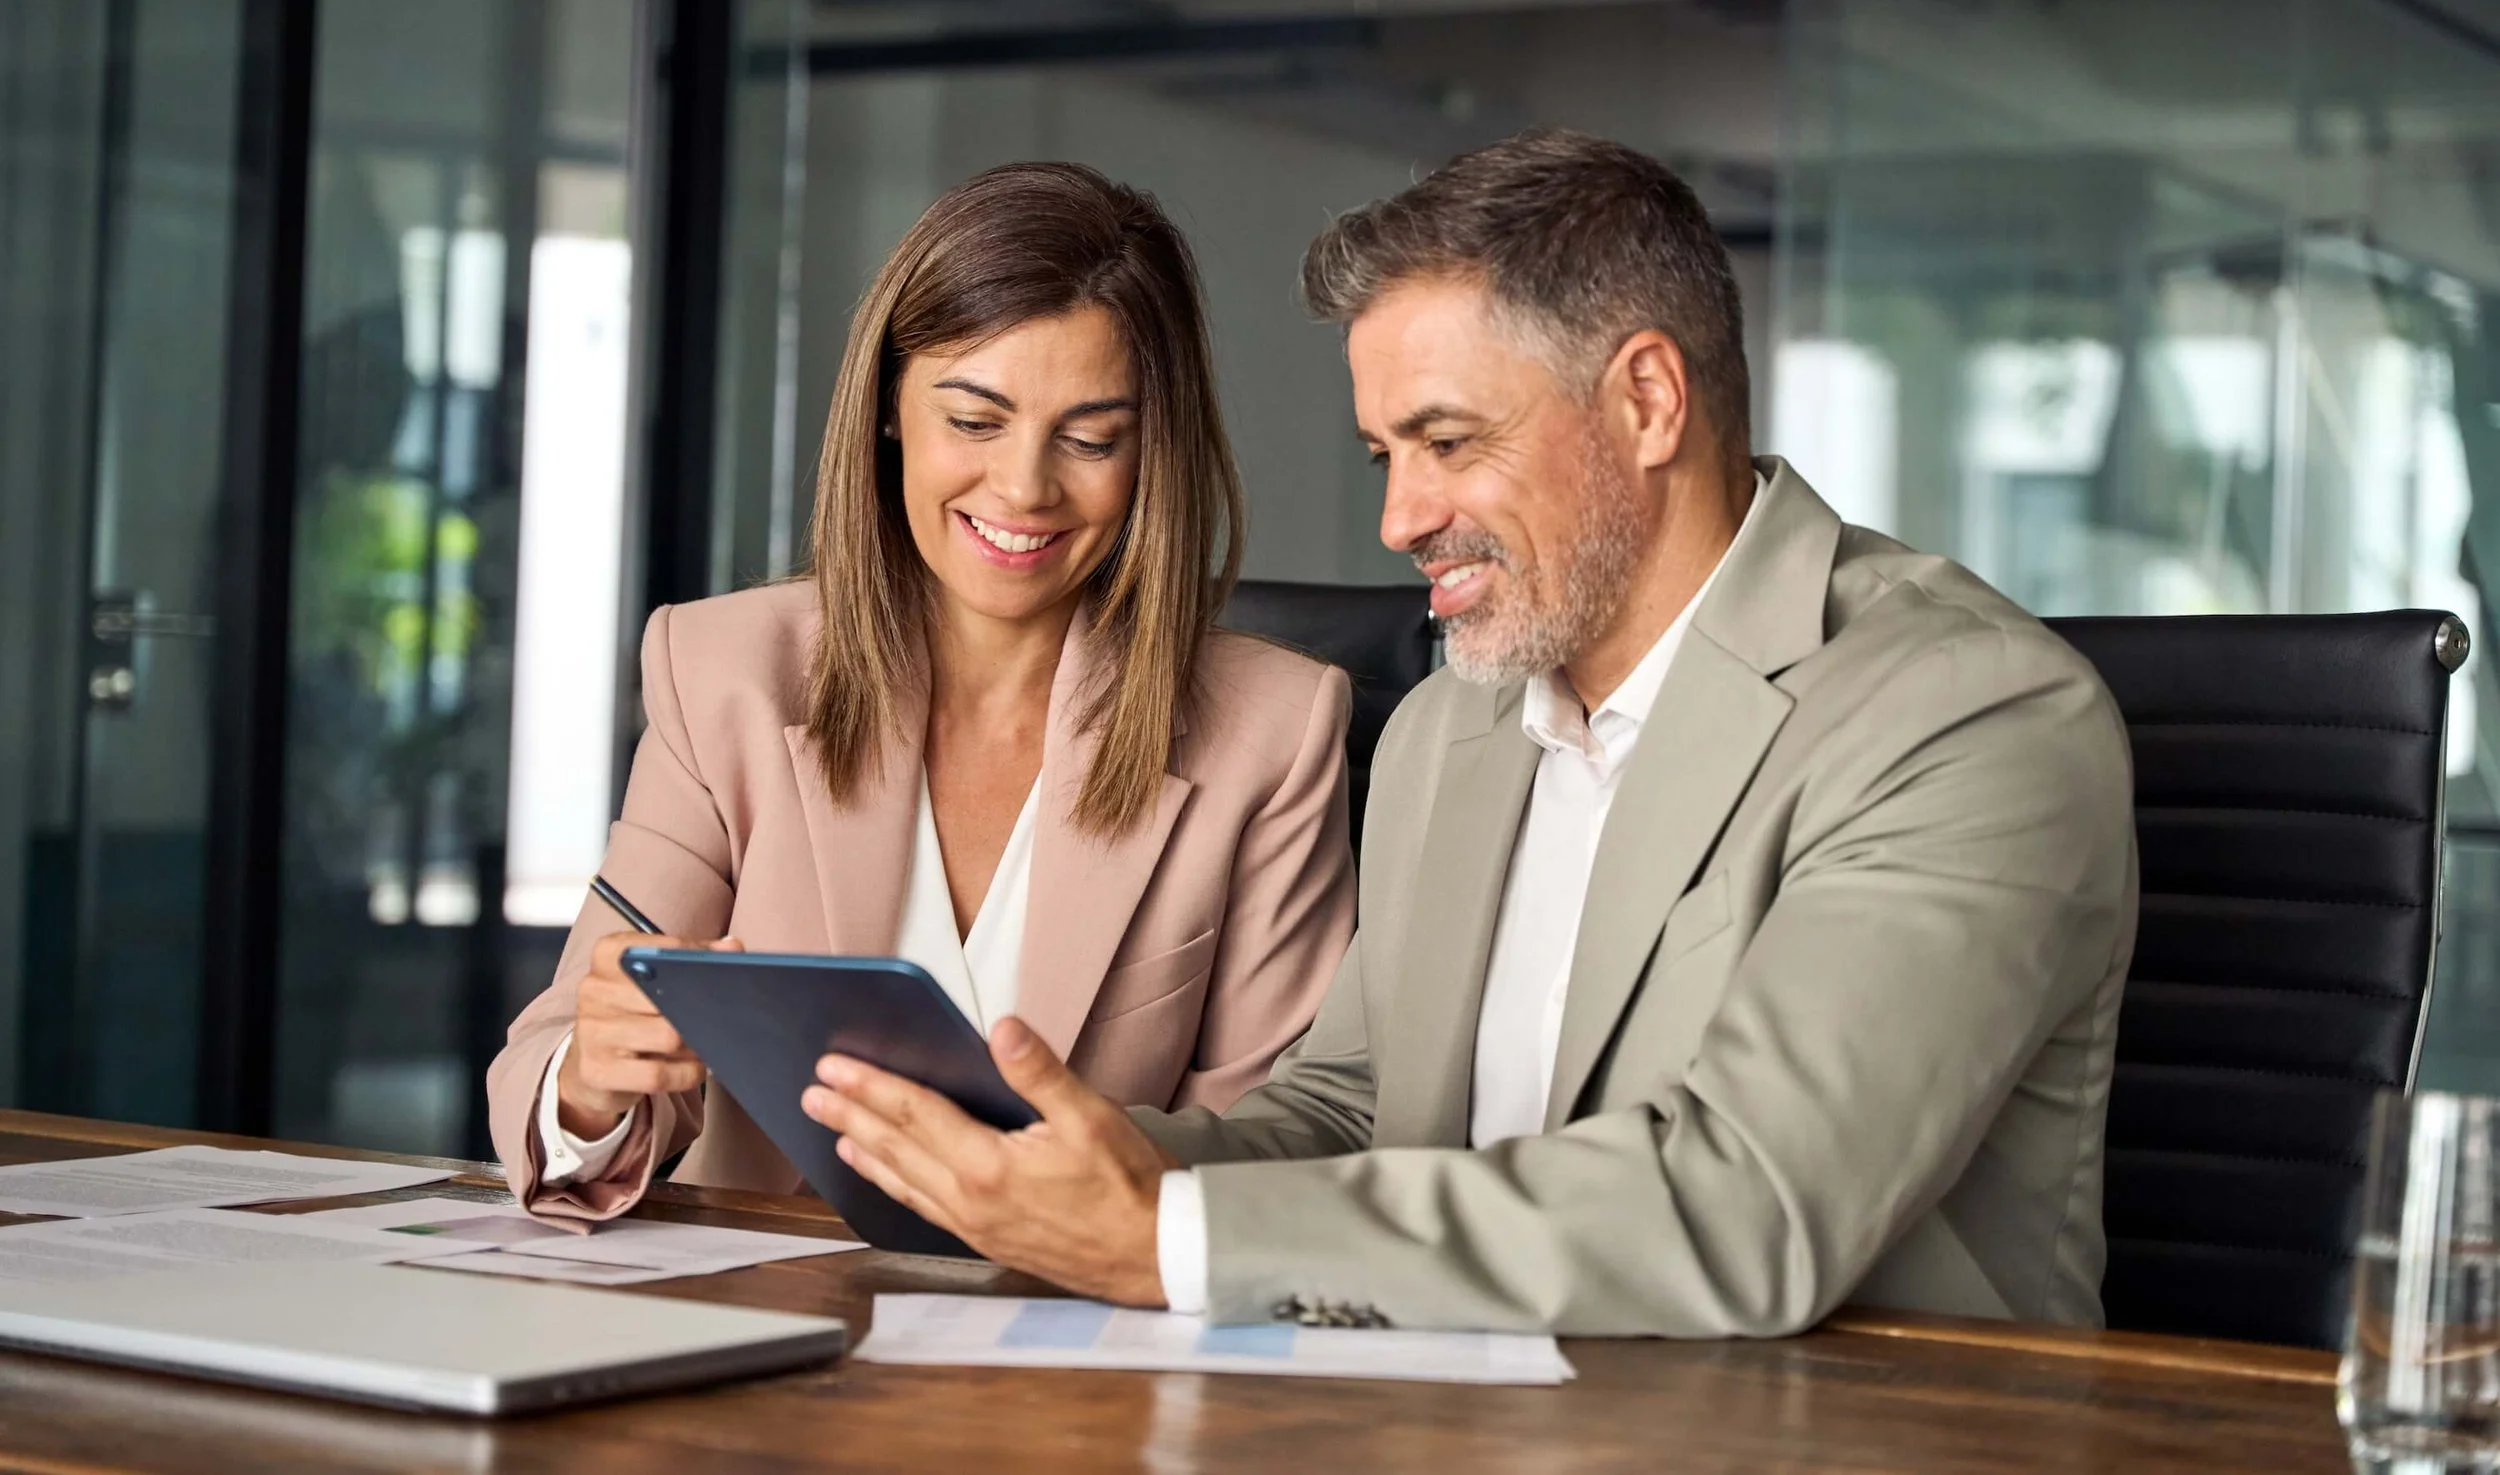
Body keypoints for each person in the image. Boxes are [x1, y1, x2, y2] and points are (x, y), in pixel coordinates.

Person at [797, 129, 2140, 1337]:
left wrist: (1168, 1238)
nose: (1399, 517)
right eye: (1388, 453)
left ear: (1648, 400)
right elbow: (1349, 1116)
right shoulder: (1455, 725)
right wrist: (1068, 1166)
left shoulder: (1967, 714)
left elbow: (1746, 1205)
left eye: (1446, 440)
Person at [487, 162, 1358, 1223]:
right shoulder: (721, 672)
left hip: (1081, 1334)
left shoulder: (1272, 732)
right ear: (891, 407)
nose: (1025, 487)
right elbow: (552, 1063)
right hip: (767, 1329)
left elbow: (1283, 1142)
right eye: (976, 420)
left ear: (1153, 453)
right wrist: (594, 1076)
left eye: (1090, 439)